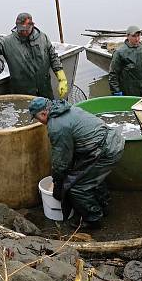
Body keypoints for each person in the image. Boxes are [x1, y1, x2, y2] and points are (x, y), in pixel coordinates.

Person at [29, 96, 125, 229]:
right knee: (91, 177)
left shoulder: (56, 126)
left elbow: (61, 161)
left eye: (37, 118)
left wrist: (57, 182)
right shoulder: (66, 108)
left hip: (105, 150)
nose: (39, 122)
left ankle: (93, 219)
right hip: (112, 140)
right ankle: (103, 205)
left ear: (44, 113)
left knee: (77, 187)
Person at [0, 12, 68, 99]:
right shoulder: (8, 42)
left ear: (32, 25)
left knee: (48, 113)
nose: (24, 32)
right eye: (21, 30)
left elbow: (53, 57)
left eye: (26, 29)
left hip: (45, 90)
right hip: (22, 93)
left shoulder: (43, 38)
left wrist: (62, 79)